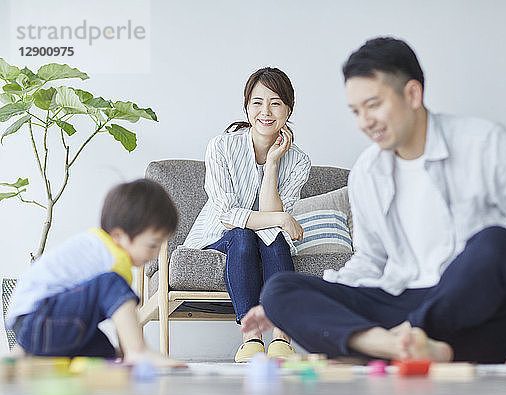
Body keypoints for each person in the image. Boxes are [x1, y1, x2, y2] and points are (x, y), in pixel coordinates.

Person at [241, 38, 506, 364]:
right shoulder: (367, 171)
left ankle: (402, 338)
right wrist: (293, 303)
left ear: (412, 94)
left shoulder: (483, 142)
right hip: (406, 301)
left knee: (498, 242)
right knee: (279, 290)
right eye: (356, 111)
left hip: (481, 312)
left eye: (373, 105)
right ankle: (405, 347)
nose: (364, 122)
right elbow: (370, 261)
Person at [182, 67, 311, 362]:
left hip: (265, 238)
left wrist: (273, 163)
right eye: (257, 102)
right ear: (246, 106)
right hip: (219, 237)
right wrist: (281, 218)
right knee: (242, 235)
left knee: (273, 239)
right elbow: (227, 216)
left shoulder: (299, 161)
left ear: (289, 109)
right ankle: (251, 339)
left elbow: (269, 218)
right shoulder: (222, 147)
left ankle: (282, 339)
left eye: (275, 102)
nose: (265, 111)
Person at [6, 179, 182, 366]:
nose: (155, 254)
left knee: (105, 352)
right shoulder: (110, 257)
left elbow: (120, 323)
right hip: (37, 322)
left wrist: (124, 354)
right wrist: (134, 351)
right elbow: (123, 316)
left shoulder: (96, 248)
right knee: (111, 283)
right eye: (152, 245)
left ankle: (21, 358)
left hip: (33, 327)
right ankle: (138, 350)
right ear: (119, 236)